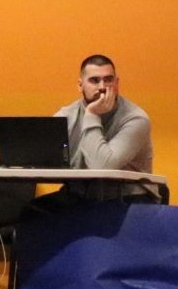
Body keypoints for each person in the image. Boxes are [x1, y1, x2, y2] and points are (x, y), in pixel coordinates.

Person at [53, 53, 159, 200]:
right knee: (30, 210)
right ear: (80, 85)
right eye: (94, 81)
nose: (102, 87)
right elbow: (45, 157)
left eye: (108, 80)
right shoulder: (67, 116)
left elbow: (102, 168)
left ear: (116, 83)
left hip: (128, 197)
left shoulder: (136, 119)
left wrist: (92, 115)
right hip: (81, 196)